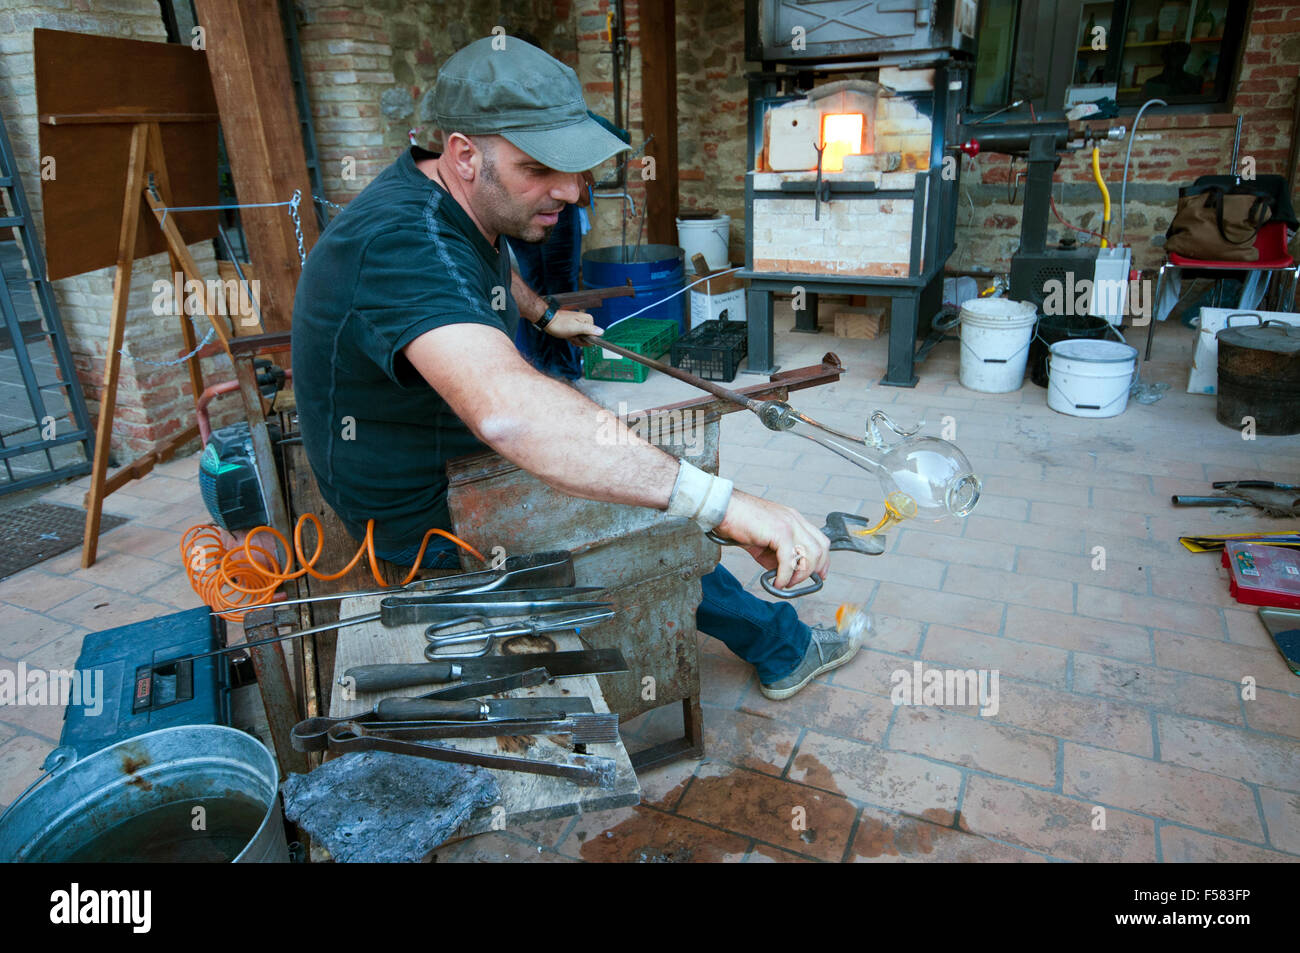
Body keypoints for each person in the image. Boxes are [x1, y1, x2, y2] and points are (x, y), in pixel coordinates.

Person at [291, 37, 861, 700]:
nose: (568, 191)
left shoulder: (458, 197)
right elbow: (507, 411)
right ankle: (783, 647)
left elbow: (482, 265)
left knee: (639, 476)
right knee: (654, 509)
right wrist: (724, 504)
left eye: (573, 167)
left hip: (448, 445)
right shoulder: (400, 242)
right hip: (423, 507)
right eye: (539, 168)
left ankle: (766, 630)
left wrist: (541, 314)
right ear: (464, 153)